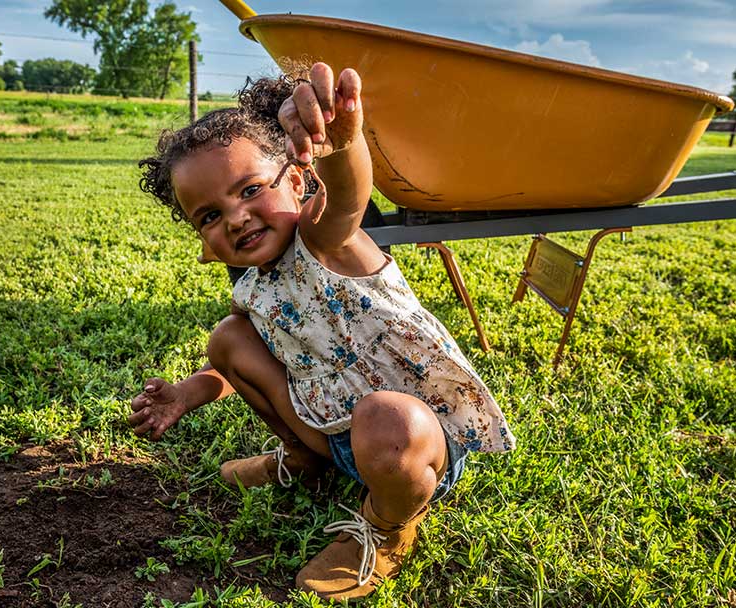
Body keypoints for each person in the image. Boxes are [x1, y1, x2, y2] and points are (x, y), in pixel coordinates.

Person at [130, 63, 516, 601]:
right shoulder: (253, 283)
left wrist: (340, 147)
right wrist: (187, 393)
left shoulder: (326, 240)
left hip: (415, 444)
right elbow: (236, 366)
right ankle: (306, 461)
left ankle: (387, 526)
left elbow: (348, 198)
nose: (236, 219)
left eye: (249, 190)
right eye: (210, 216)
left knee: (387, 415)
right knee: (229, 337)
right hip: (332, 432)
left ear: (295, 180)